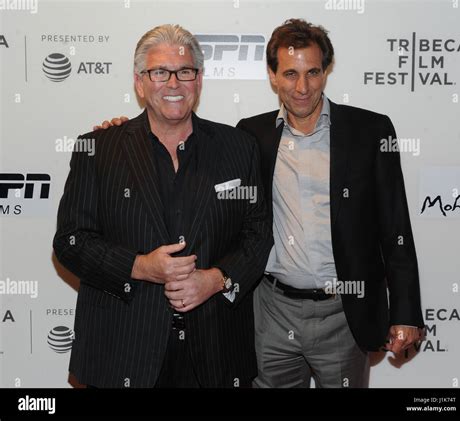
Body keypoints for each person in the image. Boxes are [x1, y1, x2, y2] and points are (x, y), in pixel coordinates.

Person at [95, 19, 425, 388]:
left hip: (343, 314)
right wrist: (122, 135)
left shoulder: (370, 132)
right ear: (272, 76)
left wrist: (407, 313)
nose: (302, 87)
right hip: (270, 312)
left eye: (312, 72)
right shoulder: (250, 135)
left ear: (326, 71)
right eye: (290, 73)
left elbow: (396, 228)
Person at [53, 24, 272, 388]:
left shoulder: (238, 147)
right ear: (140, 82)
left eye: (184, 71)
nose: (173, 83)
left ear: (198, 80)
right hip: (123, 349)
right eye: (159, 72)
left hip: (216, 351)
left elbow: (258, 234)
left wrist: (216, 279)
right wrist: (140, 266)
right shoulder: (98, 149)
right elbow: (70, 241)